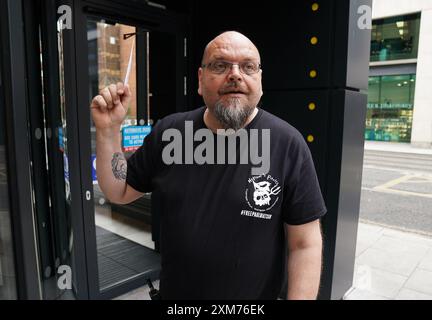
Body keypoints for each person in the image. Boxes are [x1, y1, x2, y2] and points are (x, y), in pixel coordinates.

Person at [91, 31, 327, 300]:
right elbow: (118, 190)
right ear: (201, 80)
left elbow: (305, 244)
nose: (235, 74)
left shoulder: (288, 144)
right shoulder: (170, 133)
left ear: (259, 81)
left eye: (248, 66)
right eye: (220, 65)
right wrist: (108, 131)